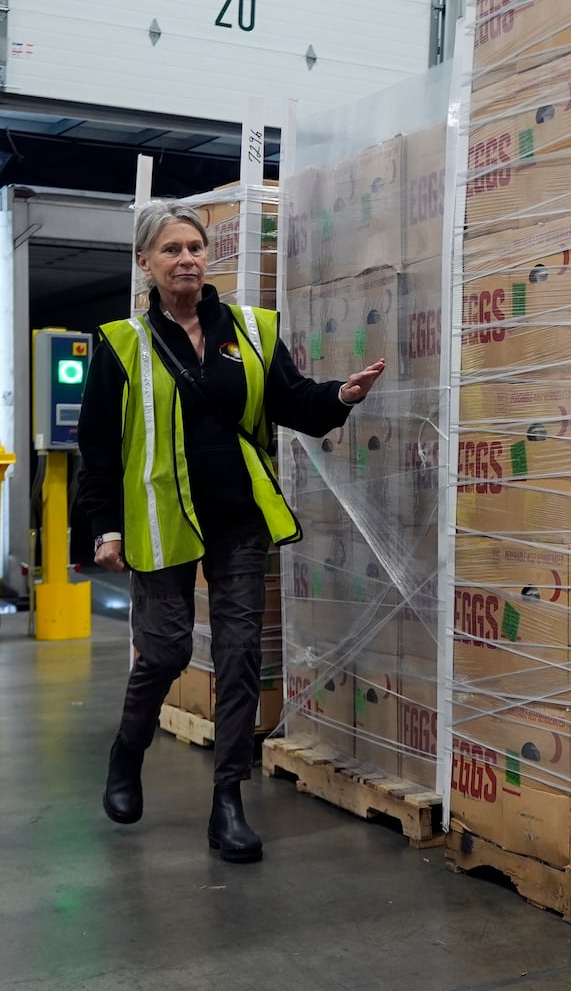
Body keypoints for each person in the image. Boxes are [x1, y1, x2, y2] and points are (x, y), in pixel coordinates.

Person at [75, 200, 385, 863]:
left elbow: (291, 399)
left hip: (238, 519)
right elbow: (98, 446)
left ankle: (228, 802)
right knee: (162, 651)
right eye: (170, 250)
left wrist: (340, 397)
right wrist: (104, 528)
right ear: (145, 264)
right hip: (159, 521)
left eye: (194, 247)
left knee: (241, 652)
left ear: (206, 256)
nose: (186, 259)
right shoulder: (120, 344)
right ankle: (127, 755)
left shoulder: (248, 329)